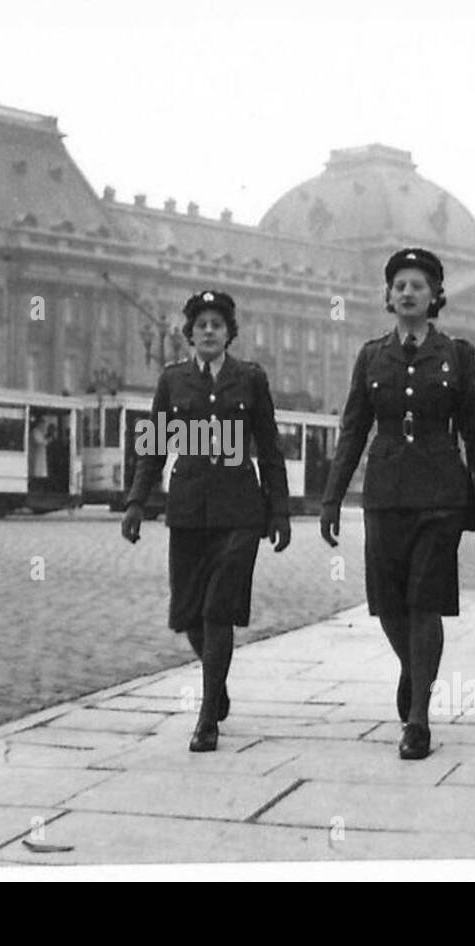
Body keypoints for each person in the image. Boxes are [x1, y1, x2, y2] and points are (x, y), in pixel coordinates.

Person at [321, 248, 475, 760]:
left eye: (417, 285)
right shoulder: (371, 355)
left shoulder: (456, 355)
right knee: (388, 606)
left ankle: (418, 718)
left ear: (435, 296)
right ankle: (413, 669)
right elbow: (353, 429)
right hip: (385, 493)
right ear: (388, 296)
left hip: (441, 493)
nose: (406, 292)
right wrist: (333, 496)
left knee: (425, 601)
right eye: (399, 284)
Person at [121, 290, 291, 752]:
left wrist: (280, 511)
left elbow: (270, 449)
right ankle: (220, 684)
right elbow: (153, 447)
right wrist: (137, 501)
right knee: (188, 615)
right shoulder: (172, 381)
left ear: (230, 333)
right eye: (202, 325)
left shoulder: (250, 379)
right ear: (190, 335)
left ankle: (206, 717)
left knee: (218, 610)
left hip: (240, 511)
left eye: (218, 324)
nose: (210, 331)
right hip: (189, 510)